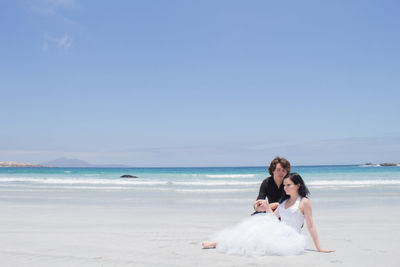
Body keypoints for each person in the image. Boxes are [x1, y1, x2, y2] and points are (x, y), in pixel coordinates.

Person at [202, 173, 334, 256]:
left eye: (288, 185)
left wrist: (319, 248)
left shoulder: (304, 202)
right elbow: (273, 217)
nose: (285, 187)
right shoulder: (284, 201)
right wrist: (266, 207)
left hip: (290, 236)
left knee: (255, 239)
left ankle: (216, 243)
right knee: (250, 230)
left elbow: (311, 226)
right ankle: (217, 242)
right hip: (278, 228)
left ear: (298, 185)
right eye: (284, 185)